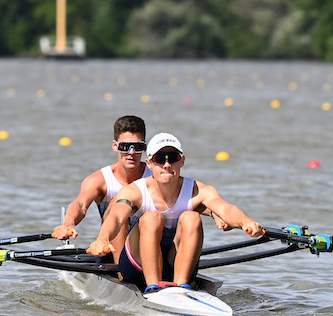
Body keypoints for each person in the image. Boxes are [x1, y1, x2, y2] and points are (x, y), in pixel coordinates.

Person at [87, 132, 264, 292]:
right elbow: (116, 216)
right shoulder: (134, 191)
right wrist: (102, 239)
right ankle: (152, 287)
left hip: (175, 263)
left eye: (172, 157)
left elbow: (225, 208)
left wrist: (245, 221)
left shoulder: (198, 190)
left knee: (192, 217)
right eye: (159, 158)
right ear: (149, 163)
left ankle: (182, 287)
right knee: (152, 217)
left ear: (182, 161)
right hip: (137, 266)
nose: (166, 164)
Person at [52, 115, 153, 263]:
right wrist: (69, 223)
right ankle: (122, 274)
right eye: (125, 146)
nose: (131, 153)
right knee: (120, 203)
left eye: (137, 147)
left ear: (144, 148)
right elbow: (80, 204)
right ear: (115, 146)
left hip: (149, 246)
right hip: (110, 251)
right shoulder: (100, 180)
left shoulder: (156, 176)